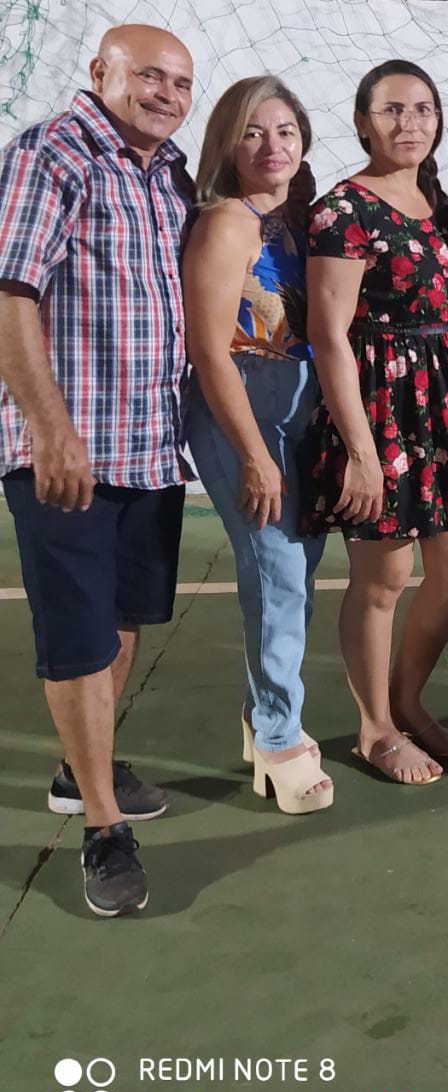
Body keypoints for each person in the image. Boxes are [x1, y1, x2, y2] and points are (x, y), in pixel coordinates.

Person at [0, 26, 195, 917]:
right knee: (79, 637)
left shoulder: (168, 173)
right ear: (100, 73)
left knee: (120, 622)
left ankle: (83, 769)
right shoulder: (52, 154)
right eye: (148, 75)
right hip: (68, 451)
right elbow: (11, 292)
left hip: (148, 446)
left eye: (181, 82)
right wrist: (50, 429)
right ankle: (104, 832)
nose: (166, 94)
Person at [302, 61, 448, 785]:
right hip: (380, 407)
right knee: (385, 577)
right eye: (392, 110)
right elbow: (328, 336)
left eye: (422, 109)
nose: (409, 123)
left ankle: (406, 702)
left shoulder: (441, 208)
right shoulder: (342, 210)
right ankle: (374, 728)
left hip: (445, 404)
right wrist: (361, 451)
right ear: (362, 121)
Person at [184, 76, 331, 813]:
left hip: (302, 408)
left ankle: (262, 715)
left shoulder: (303, 219)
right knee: (277, 570)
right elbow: (210, 350)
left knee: (296, 573)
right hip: (243, 407)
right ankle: (277, 737)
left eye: (284, 130)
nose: (271, 145)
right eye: (252, 132)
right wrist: (252, 453)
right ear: (227, 143)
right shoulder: (226, 223)